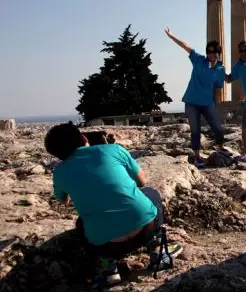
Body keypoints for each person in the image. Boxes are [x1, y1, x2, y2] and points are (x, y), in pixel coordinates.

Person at [45, 122, 183, 285]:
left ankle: (108, 267)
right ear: (83, 138)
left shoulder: (59, 172)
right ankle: (158, 249)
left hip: (107, 246)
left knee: (81, 223)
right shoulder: (113, 150)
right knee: (151, 194)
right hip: (145, 229)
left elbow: (63, 200)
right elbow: (142, 181)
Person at [165, 27, 226, 168]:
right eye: (209, 51)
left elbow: (218, 88)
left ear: (218, 53)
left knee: (218, 128)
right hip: (192, 102)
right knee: (195, 130)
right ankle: (198, 157)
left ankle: (220, 147)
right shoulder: (199, 60)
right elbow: (186, 46)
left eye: (214, 51)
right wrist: (172, 36)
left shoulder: (220, 69)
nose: (211, 54)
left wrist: (217, 105)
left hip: (208, 103)